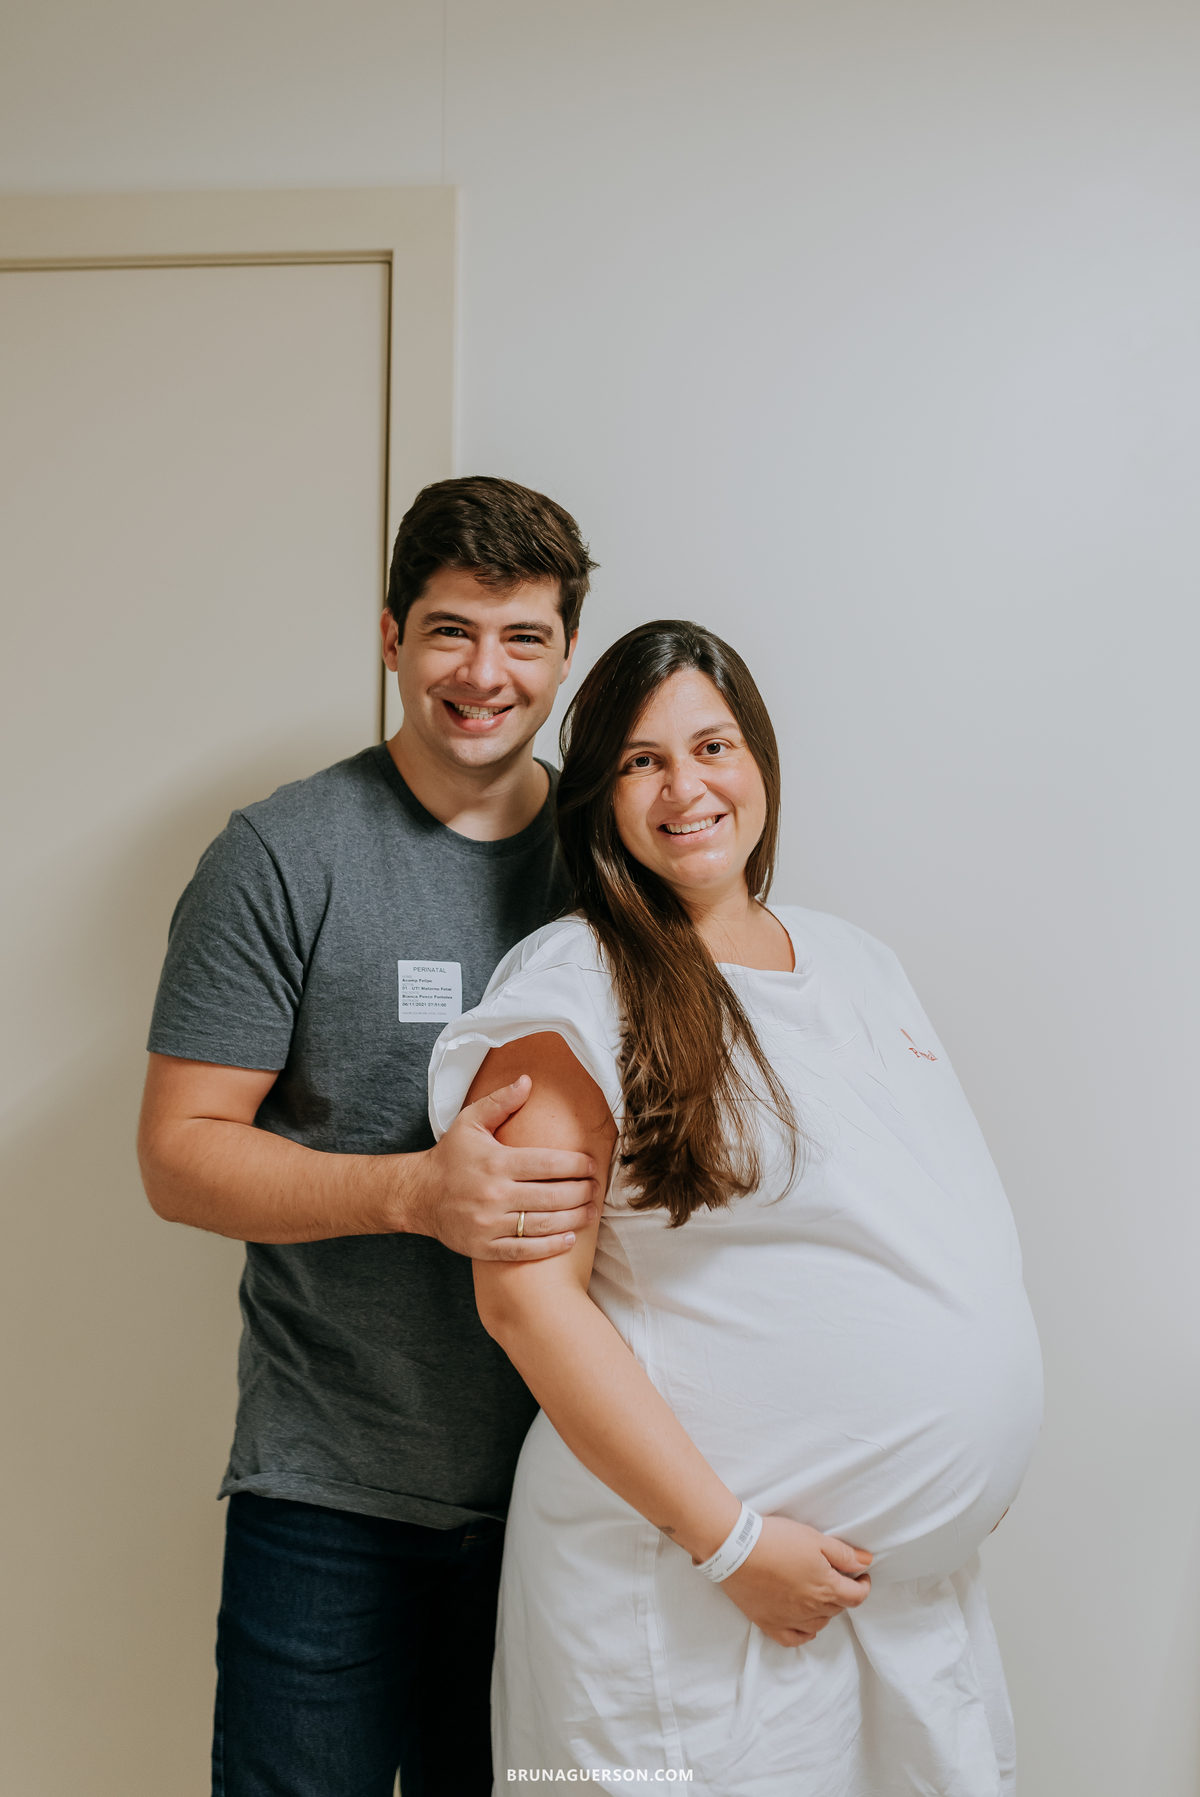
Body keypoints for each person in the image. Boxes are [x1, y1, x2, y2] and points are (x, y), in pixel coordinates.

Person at [427, 619, 1044, 1796]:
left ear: (758, 756)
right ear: (601, 796)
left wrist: (962, 1476)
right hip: (688, 1601)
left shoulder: (856, 961)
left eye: (711, 746)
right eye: (641, 762)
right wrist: (732, 1541)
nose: (684, 788)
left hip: (902, 1608)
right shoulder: (572, 992)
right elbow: (526, 1307)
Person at [136, 477, 604, 1797]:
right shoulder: (281, 856)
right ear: (391, 633)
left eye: (523, 637)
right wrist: (419, 1193)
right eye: (451, 629)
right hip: (328, 1490)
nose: (484, 673)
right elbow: (179, 1153)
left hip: (568, 1488)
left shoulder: (612, 856)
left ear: (567, 651)